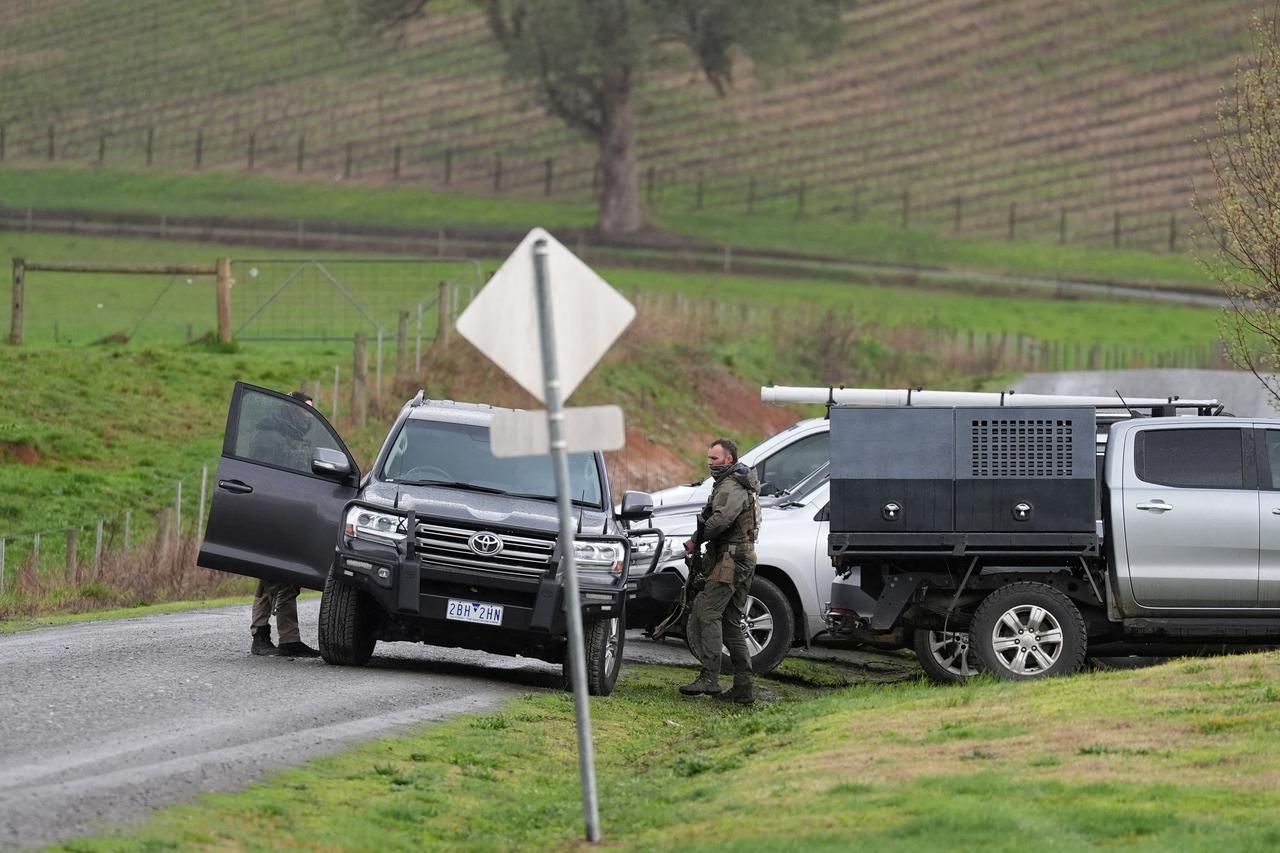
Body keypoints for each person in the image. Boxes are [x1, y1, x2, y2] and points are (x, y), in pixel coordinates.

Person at [679, 438, 762, 704]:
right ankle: (743, 687)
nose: (709, 463)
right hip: (737, 555)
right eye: (708, 458)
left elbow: (720, 520)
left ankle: (710, 677)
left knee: (707, 611)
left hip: (732, 557)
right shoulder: (734, 482)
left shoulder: (731, 484)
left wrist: (697, 538)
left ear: (728, 459)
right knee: (730, 622)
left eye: (714, 459)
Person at [248, 390, 321, 659]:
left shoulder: (289, 434)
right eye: (305, 411)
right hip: (272, 515)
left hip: (287, 514)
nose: (308, 418)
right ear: (292, 410)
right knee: (282, 577)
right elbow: (265, 479)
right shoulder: (270, 436)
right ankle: (288, 639)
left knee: (268, 575)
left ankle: (261, 635)